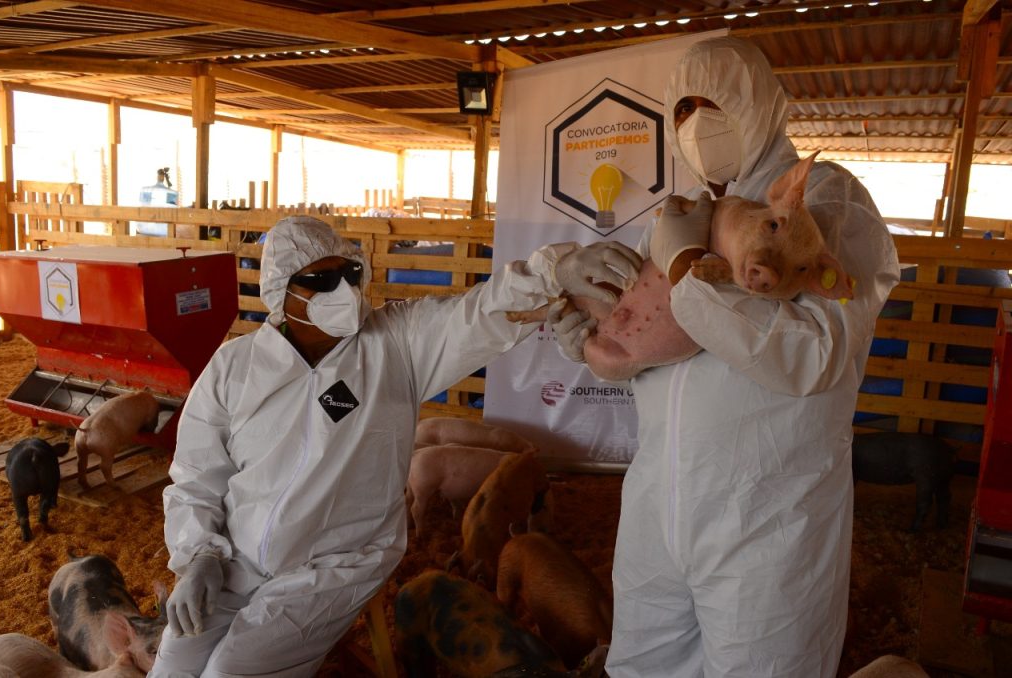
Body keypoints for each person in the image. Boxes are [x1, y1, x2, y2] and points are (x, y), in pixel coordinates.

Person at [547, 36, 901, 677]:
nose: (696, 124)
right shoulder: (682, 211)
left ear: (760, 103)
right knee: (641, 666)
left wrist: (690, 274)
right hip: (658, 503)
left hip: (767, 521)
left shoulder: (826, 201)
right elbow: (666, 355)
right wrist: (602, 344)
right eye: (682, 109)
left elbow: (814, 353)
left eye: (714, 104)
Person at [151, 215, 592, 677]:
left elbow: (479, 315)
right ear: (282, 292)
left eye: (350, 273)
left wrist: (552, 273)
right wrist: (199, 555)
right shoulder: (234, 368)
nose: (344, 290)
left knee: (230, 670)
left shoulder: (394, 346)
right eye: (322, 280)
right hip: (233, 558)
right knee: (173, 666)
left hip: (336, 562)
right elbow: (197, 475)